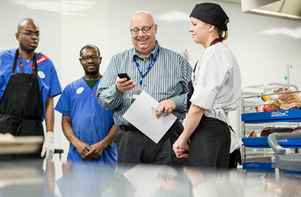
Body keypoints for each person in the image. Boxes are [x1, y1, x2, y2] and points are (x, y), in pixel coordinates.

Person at [97, 11, 192, 165]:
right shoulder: (117, 61)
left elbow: (196, 97)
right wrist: (117, 90)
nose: (141, 34)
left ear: (155, 29)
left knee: (171, 187)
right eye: (135, 30)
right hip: (130, 141)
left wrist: (175, 102)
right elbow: (103, 100)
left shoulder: (178, 62)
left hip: (168, 138)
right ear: (130, 32)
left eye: (146, 29)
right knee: (128, 188)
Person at [0, 18, 62, 163]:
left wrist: (50, 137)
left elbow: (49, 102)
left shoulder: (46, 63)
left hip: (33, 130)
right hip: (5, 128)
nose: (34, 37)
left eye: (37, 34)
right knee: (4, 177)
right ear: (18, 36)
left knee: (32, 179)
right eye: (29, 33)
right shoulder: (2, 58)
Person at [173, 3, 242, 169]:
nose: (191, 29)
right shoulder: (219, 52)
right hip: (209, 131)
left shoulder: (215, 54)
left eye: (195, 24)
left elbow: (198, 107)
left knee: (205, 191)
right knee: (207, 190)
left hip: (211, 131)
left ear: (211, 26)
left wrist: (183, 139)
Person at [55, 44, 118, 164]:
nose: (90, 61)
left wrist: (102, 145)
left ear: (100, 59)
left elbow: (118, 121)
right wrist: (77, 144)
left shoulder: (112, 88)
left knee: (107, 183)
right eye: (85, 58)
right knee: (77, 182)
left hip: (107, 155)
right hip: (78, 155)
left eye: (94, 57)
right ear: (80, 61)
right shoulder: (71, 89)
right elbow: (65, 122)